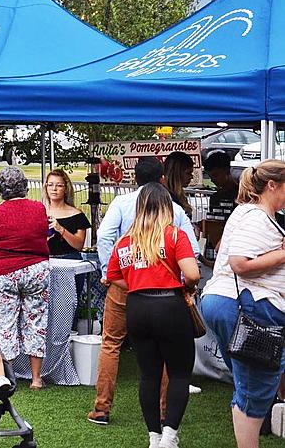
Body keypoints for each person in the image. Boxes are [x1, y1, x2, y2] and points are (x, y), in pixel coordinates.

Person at [88, 156, 201, 425]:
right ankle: (165, 413)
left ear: (133, 178)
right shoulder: (172, 208)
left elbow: (104, 236)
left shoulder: (121, 203)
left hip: (125, 284)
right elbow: (193, 253)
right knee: (164, 352)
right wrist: (183, 283)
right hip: (166, 292)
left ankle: (102, 408)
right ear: (162, 179)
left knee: (111, 343)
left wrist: (109, 272)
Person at [108, 183, 200, 448]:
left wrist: (139, 283)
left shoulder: (125, 241)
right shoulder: (174, 236)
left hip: (137, 307)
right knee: (179, 373)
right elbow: (192, 273)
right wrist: (188, 288)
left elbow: (113, 276)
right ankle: (170, 435)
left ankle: (153, 437)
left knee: (148, 374)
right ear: (167, 207)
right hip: (170, 306)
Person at [201, 161, 285, 448]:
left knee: (248, 385)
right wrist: (282, 255)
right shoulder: (256, 216)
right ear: (272, 185)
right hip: (249, 305)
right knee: (255, 388)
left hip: (227, 303)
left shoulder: (246, 213)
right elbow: (239, 262)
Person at [0, 166, 49, 390]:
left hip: (4, 271)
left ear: (0, 189)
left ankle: (8, 374)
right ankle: (36, 378)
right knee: (36, 322)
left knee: (5, 324)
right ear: (25, 186)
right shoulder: (39, 209)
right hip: (36, 268)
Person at [43, 168, 90, 258]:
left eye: (59, 185)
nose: (54, 189)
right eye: (50, 185)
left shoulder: (77, 215)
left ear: (65, 188)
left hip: (70, 260)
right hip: (45, 261)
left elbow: (79, 245)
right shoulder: (40, 212)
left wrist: (60, 229)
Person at [163, 151, 195, 217]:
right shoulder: (164, 197)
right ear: (177, 174)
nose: (191, 177)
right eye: (188, 173)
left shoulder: (180, 196)